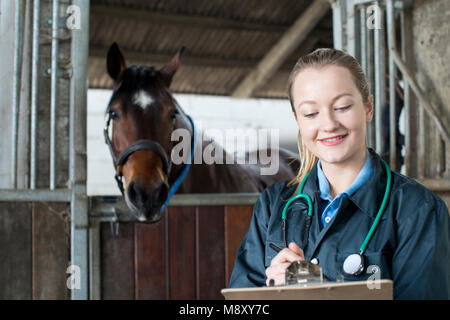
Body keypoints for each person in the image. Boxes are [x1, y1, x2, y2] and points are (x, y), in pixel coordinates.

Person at [228, 48, 450, 299]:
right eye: (311, 113)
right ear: (298, 120)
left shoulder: (417, 209)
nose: (329, 124)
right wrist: (272, 291)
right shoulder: (273, 206)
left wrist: (324, 292)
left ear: (368, 107)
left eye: (342, 107)